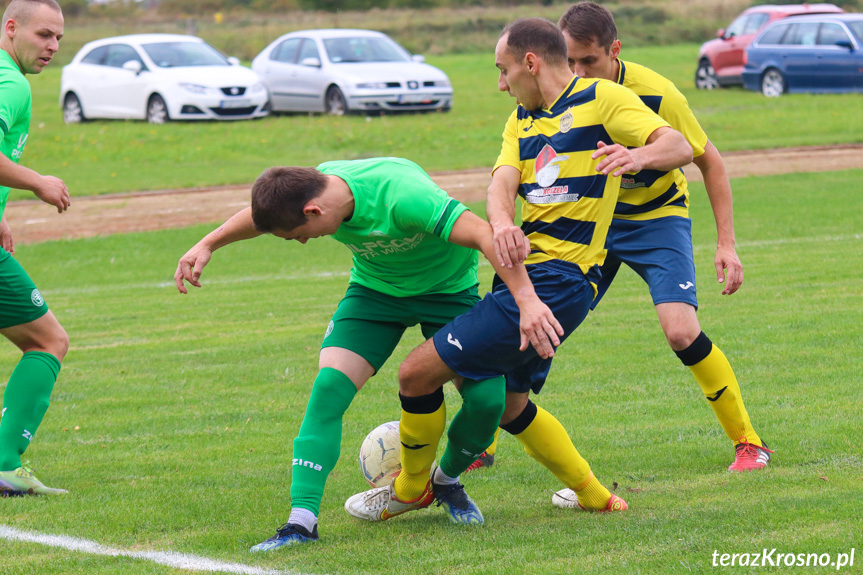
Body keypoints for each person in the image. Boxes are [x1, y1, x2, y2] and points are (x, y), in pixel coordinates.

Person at [344, 18, 693, 524]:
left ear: (530, 63)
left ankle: (411, 488)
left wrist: (635, 155)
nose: (500, 83)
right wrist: (503, 223)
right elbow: (501, 183)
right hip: (528, 271)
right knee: (509, 404)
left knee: (416, 373)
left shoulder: (602, 99)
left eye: (503, 70)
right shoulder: (521, 120)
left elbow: (679, 147)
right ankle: (595, 495)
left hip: (561, 280)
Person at [174, 157, 558, 549]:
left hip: (448, 293)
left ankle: (446, 483)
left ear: (313, 211)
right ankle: (301, 522)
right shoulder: (308, 190)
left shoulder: (404, 196)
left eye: (298, 234)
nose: (303, 242)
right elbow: (259, 218)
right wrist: (207, 244)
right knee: (328, 390)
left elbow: (484, 234)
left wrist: (526, 302)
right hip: (374, 296)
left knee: (487, 402)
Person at [549, 3, 770, 494]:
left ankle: (749, 443)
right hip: (593, 224)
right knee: (539, 326)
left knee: (680, 330)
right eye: (571, 62)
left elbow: (707, 161)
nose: (579, 73)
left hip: (656, 219)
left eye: (589, 62)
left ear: (615, 50)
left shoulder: (655, 91)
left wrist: (727, 244)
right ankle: (483, 444)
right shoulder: (558, 94)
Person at [0, 0, 71, 497]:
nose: (52, 47)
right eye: (44, 34)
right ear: (11, 27)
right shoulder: (10, 82)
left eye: (59, 39)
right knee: (48, 341)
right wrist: (37, 182)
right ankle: (4, 461)